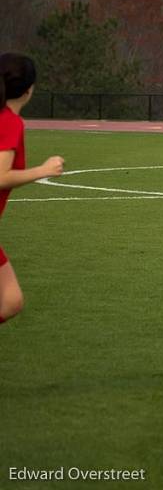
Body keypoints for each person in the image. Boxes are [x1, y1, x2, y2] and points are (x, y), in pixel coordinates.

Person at [0, 53, 64, 326]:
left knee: (11, 300)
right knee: (10, 300)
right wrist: (44, 170)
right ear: (29, 89)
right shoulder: (9, 122)